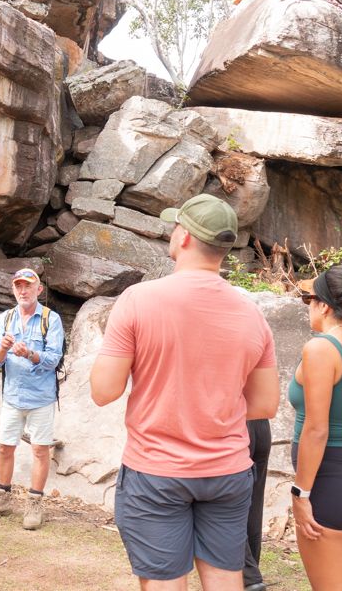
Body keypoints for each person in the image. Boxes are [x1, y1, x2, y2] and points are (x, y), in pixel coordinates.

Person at [90, 194, 280, 591]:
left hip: (156, 471)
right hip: (227, 470)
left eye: (176, 226)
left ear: (186, 238)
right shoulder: (251, 313)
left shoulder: (139, 300)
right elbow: (265, 404)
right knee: (227, 580)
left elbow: (104, 391)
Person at [288, 265, 342, 590]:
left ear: (325, 305)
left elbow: (316, 430)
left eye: (309, 299)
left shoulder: (322, 349)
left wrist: (300, 494)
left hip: (330, 485)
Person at [0, 267, 64, 530]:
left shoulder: (51, 319)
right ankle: (1, 500)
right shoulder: (5, 319)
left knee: (39, 450)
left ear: (39, 289)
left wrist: (30, 354)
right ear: (13, 290)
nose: (23, 291)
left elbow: (53, 359)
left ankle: (34, 503)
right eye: (18, 286)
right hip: (13, 397)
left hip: (41, 398)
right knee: (5, 447)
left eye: (28, 286)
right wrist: (2, 348)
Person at [243, 419, 271, 591]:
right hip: (260, 424)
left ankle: (249, 578)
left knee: (221, 509)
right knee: (253, 506)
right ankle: (252, 578)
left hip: (234, 423)